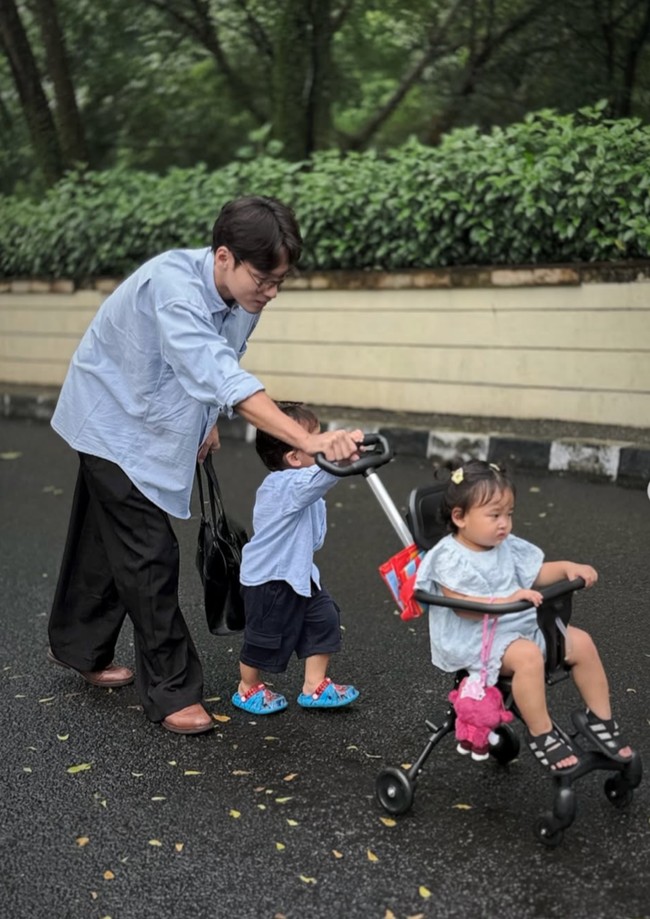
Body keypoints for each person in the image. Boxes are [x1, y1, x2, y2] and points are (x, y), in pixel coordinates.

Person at [47, 196, 363, 735]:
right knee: (149, 553)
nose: (270, 292)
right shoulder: (174, 288)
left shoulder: (242, 300)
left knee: (103, 542)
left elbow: (218, 366)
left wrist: (207, 417)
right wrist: (307, 443)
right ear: (224, 257)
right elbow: (216, 368)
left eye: (279, 282)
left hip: (148, 415)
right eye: (263, 279)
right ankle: (172, 691)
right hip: (110, 419)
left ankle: (81, 648)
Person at [414, 459, 634, 771]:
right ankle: (542, 733)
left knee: (581, 642)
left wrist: (567, 568)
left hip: (515, 623)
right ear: (460, 517)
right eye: (494, 515)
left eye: (509, 514)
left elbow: (536, 572)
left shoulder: (502, 544)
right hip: (476, 637)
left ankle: (600, 719)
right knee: (529, 657)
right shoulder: (449, 557)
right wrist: (507, 597)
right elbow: (462, 605)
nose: (504, 523)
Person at [231, 401, 360, 715]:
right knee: (265, 636)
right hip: (270, 579)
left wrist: (354, 451)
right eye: (313, 440)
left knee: (324, 619)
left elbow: (317, 492)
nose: (322, 441)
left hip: (300, 573)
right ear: (294, 457)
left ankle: (314, 684)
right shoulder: (282, 486)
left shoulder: (301, 484)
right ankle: (247, 687)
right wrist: (338, 456)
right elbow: (317, 481)